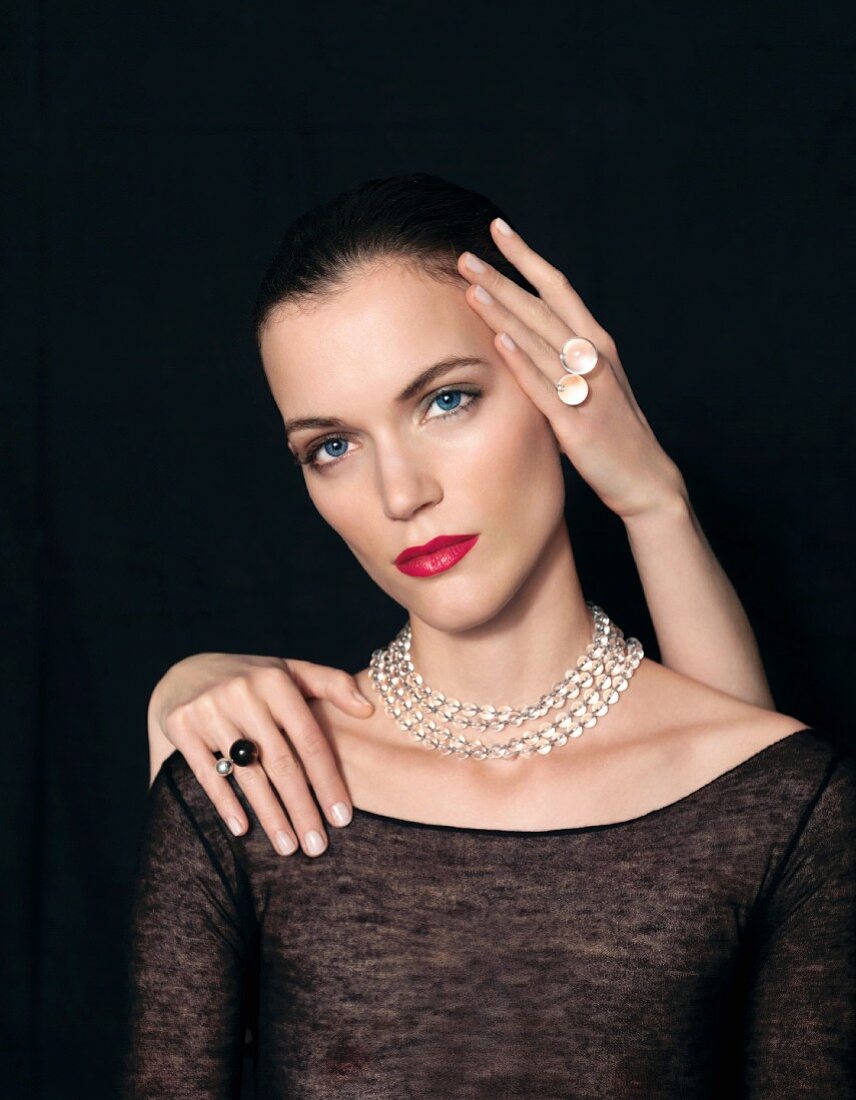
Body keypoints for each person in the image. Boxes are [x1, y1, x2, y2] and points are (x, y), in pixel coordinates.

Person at [121, 172, 856, 1098]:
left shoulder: (794, 799)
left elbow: (734, 824)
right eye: (331, 447)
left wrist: (651, 496)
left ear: (556, 382)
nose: (401, 495)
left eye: (445, 401)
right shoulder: (251, 783)